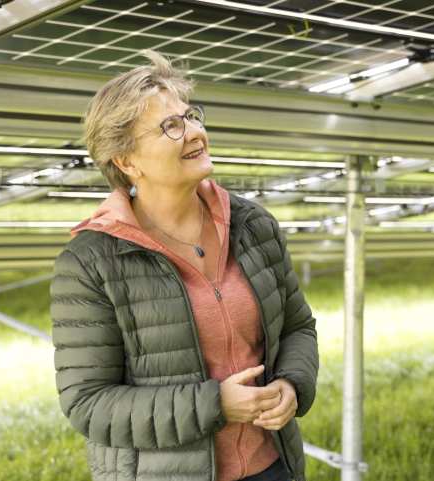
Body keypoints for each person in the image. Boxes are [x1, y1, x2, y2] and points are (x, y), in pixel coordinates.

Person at [50, 50, 318, 481]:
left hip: (273, 467)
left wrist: (291, 383)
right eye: (171, 126)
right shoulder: (91, 262)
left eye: (192, 116)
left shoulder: (253, 225)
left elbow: (297, 327)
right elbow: (88, 404)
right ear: (126, 161)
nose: (194, 132)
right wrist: (215, 405)